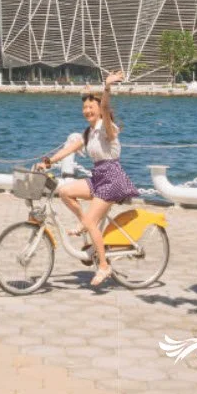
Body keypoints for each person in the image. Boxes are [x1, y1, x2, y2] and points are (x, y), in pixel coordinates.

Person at [36, 70, 138, 287]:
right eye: (84, 108)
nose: (86, 110)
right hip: (99, 176)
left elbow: (107, 108)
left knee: (92, 222)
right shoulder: (88, 132)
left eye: (91, 107)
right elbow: (70, 148)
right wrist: (49, 161)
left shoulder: (107, 128)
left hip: (112, 178)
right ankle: (84, 223)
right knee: (64, 191)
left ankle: (104, 266)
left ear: (99, 110)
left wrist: (107, 88)